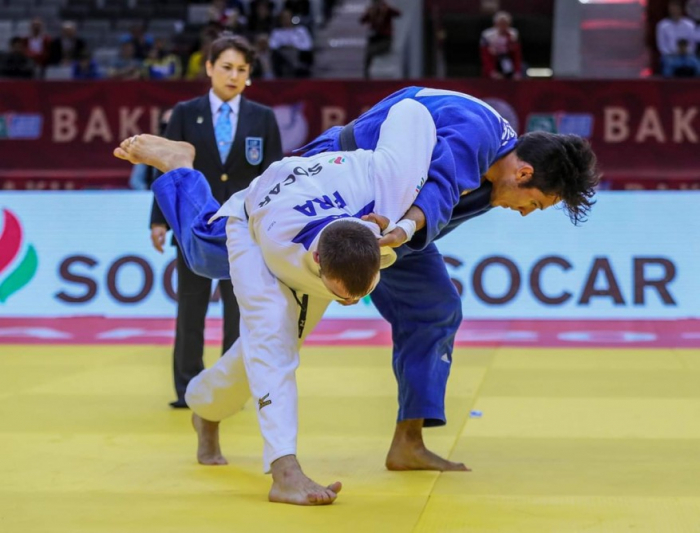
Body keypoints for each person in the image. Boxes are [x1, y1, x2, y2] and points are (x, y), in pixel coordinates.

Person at [116, 97, 438, 505]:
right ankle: (180, 167)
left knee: (255, 349)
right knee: (207, 261)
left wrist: (406, 223)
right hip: (254, 220)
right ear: (320, 263)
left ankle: (206, 408)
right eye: (343, 296)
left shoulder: (387, 191)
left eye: (361, 295)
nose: (351, 305)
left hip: (325, 189)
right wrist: (285, 466)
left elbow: (412, 111)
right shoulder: (275, 241)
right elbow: (271, 356)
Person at [298, 86, 600, 472]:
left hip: (393, 222)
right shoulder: (480, 131)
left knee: (434, 309)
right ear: (524, 173)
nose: (525, 214)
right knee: (250, 278)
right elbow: (440, 185)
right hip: (332, 180)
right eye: (535, 204)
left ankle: (408, 443)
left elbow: (431, 211)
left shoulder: (494, 179)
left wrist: (378, 261)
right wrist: (394, 240)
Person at [149, 34, 283, 408]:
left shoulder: (263, 117)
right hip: (193, 227)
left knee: (239, 313)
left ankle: (229, 391)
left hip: (244, 229)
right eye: (226, 67)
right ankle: (187, 390)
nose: (233, 75)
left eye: (242, 69)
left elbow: (273, 177)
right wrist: (159, 219)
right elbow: (167, 169)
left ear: (249, 75)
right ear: (209, 68)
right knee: (190, 309)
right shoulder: (184, 112)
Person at [359, 0, 401, 78]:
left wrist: (387, 8)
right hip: (375, 38)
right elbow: (362, 20)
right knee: (368, 53)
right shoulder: (372, 11)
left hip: (385, 39)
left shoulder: (386, 10)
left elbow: (398, 14)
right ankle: (366, 75)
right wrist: (368, 12)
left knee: (371, 51)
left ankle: (368, 75)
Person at [479, 11, 522, 79]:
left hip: (506, 61)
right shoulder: (487, 35)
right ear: (496, 24)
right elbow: (485, 56)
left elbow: (517, 55)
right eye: (501, 23)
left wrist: (517, 72)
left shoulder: (513, 35)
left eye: (505, 23)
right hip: (493, 61)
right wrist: (491, 72)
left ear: (509, 24)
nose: (503, 26)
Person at [657, 1, 696, 73]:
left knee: (697, 64)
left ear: (681, 10)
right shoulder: (662, 25)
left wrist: (686, 51)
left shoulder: (689, 25)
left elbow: (692, 44)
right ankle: (668, 83)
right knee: (669, 65)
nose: (675, 11)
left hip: (687, 55)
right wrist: (674, 52)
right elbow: (662, 46)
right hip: (670, 56)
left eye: (676, 9)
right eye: (672, 9)